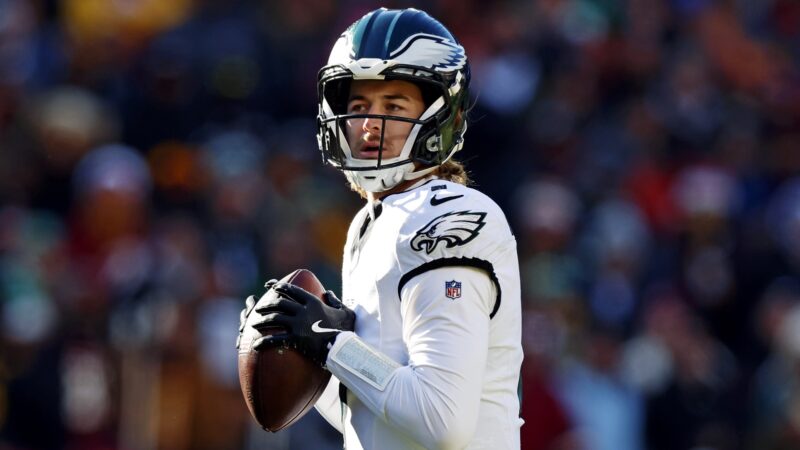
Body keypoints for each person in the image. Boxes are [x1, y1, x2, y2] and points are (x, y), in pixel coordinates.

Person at [241, 7, 523, 449]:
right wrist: (300, 350)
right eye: (358, 106)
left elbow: (441, 421)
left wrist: (332, 346)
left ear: (439, 113)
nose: (371, 123)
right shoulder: (370, 223)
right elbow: (374, 421)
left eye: (393, 104)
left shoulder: (449, 216)